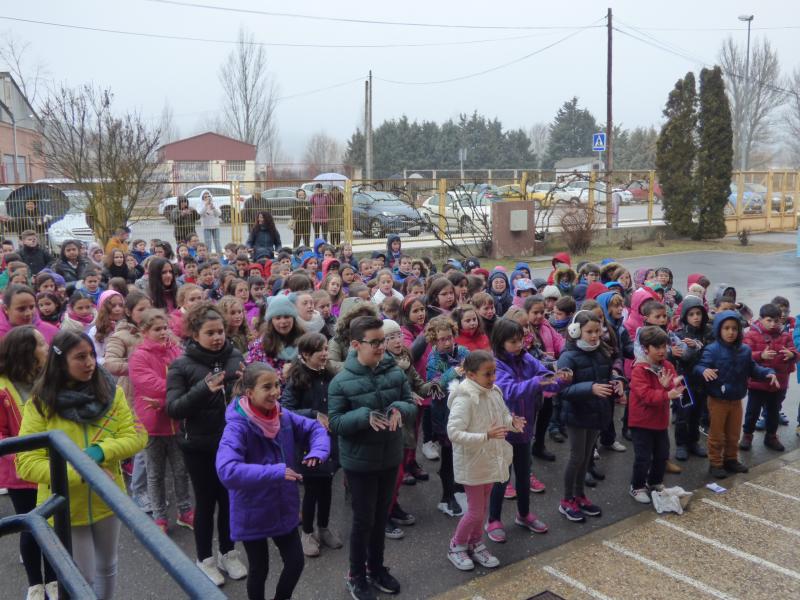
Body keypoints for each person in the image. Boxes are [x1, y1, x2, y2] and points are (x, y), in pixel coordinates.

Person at [16, 330, 147, 600]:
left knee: (108, 566)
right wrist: (81, 472)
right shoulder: (40, 404)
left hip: (107, 499)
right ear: (60, 362)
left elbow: (136, 435)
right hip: (64, 505)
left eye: (90, 355)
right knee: (82, 576)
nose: (90, 362)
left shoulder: (111, 393)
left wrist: (99, 452)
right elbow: (26, 463)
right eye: (80, 357)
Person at [217, 362, 329, 600]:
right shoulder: (237, 426)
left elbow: (315, 429)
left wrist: (318, 452)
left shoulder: (282, 415)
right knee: (260, 569)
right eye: (267, 387)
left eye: (277, 384)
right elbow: (227, 470)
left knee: (296, 562)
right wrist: (275, 472)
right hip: (252, 509)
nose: (276, 392)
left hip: (282, 505)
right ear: (249, 393)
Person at [328, 315, 417, 600]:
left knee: (381, 518)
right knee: (363, 520)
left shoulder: (394, 371)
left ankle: (376, 568)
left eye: (384, 340)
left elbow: (410, 401)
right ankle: (356, 575)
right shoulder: (341, 381)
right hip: (360, 463)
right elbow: (336, 422)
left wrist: (399, 409)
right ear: (355, 344)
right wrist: (365, 416)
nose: (382, 347)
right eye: (375, 342)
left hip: (389, 456)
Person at [166, 302, 248, 586]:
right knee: (207, 501)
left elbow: (245, 392)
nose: (217, 337)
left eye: (220, 331)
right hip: (199, 445)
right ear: (195, 334)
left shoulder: (235, 355)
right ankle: (204, 559)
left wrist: (247, 383)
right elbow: (174, 408)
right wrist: (203, 389)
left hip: (232, 443)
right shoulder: (181, 365)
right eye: (210, 332)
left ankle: (228, 552)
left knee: (229, 500)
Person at [485, 319, 569, 543]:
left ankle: (524, 514)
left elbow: (544, 378)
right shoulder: (496, 364)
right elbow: (509, 391)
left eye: (521, 340)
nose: (519, 345)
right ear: (500, 343)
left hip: (524, 429)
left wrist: (560, 380)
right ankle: (493, 519)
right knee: (501, 478)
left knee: (523, 475)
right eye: (513, 342)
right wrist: (538, 382)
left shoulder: (526, 357)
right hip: (503, 430)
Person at [445, 350, 521, 572]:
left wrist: (512, 422)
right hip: (473, 462)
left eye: (494, 373)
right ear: (470, 375)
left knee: (483, 507)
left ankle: (475, 542)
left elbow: (502, 416)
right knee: (476, 511)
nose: (493, 378)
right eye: (487, 374)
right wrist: (485, 436)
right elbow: (454, 433)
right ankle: (456, 545)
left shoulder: (493, 391)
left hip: (490, 458)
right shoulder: (465, 399)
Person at [0, 326, 58, 600]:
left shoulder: (51, 380)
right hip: (20, 473)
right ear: (27, 353)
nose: (47, 347)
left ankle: (55, 579)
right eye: (41, 345)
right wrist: (21, 455)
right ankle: (36, 583)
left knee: (55, 524)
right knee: (30, 526)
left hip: (51, 468)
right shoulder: (2, 388)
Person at [129, 309, 194, 534]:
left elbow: (187, 377)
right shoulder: (139, 356)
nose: (163, 332)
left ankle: (185, 511)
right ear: (144, 331)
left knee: (180, 470)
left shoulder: (176, 351)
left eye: (165, 327)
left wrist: (173, 396)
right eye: (157, 329)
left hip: (176, 421)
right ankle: (159, 517)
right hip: (153, 425)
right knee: (155, 474)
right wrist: (178, 391)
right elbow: (151, 385)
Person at [280, 332, 343, 557]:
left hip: (330, 443)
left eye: (326, 348)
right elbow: (285, 411)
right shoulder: (297, 379)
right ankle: (307, 533)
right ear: (306, 355)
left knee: (326, 488)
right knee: (312, 491)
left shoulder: (328, 374)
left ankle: (323, 528)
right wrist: (314, 413)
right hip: (308, 446)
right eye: (320, 351)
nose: (326, 354)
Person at [695, 310, 779, 479]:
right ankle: (716, 463)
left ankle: (731, 459)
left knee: (733, 433)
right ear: (719, 329)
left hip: (736, 399)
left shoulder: (745, 350)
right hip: (717, 399)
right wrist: (704, 370)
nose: (731, 332)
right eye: (726, 328)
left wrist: (768, 372)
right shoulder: (712, 350)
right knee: (717, 434)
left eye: (734, 328)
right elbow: (698, 366)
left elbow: (753, 368)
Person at [556, 311, 614, 523]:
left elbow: (608, 374)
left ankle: (580, 495)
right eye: (589, 332)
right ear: (576, 331)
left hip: (596, 412)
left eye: (597, 331)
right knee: (576, 457)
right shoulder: (568, 356)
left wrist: (617, 381)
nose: (594, 336)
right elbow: (561, 390)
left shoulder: (601, 351)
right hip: (577, 414)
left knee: (587, 456)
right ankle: (566, 499)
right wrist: (590, 388)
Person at [628, 327, 685, 503]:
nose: (662, 351)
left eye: (664, 346)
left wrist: (675, 386)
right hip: (641, 421)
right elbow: (645, 396)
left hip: (660, 420)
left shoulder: (667, 365)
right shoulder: (639, 369)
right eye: (657, 347)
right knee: (643, 457)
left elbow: (672, 387)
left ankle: (655, 481)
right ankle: (637, 486)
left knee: (662, 454)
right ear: (646, 348)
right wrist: (667, 392)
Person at [739, 303, 798, 453]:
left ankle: (771, 436)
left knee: (773, 411)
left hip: (779, 382)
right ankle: (747, 435)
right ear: (761, 319)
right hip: (758, 383)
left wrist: (792, 355)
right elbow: (744, 355)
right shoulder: (751, 334)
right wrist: (761, 355)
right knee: (752, 411)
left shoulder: (785, 335)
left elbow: (795, 352)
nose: (773, 324)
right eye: (769, 320)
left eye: (776, 321)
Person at [426, 316, 469, 518]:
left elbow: (473, 366)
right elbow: (433, 387)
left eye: (449, 337)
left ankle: (459, 488)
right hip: (444, 415)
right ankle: (447, 496)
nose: (446, 342)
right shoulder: (433, 359)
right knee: (448, 457)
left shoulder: (462, 352)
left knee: (462, 454)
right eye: (441, 339)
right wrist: (452, 373)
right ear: (434, 340)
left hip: (464, 412)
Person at [671, 295, 712, 460]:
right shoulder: (679, 335)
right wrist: (687, 349)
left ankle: (693, 442)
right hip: (684, 381)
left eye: (698, 313)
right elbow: (681, 358)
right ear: (685, 317)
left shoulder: (709, 333)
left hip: (701, 381)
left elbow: (711, 354)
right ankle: (681, 444)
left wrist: (699, 347)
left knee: (697, 414)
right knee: (683, 414)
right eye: (691, 314)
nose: (696, 317)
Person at [199, 190, 223, 256]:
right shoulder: (200, 204)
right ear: (202, 197)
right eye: (205, 196)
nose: (207, 197)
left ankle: (220, 256)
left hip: (215, 226)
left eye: (208, 196)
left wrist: (214, 208)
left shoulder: (214, 203)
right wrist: (206, 206)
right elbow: (200, 213)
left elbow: (219, 213)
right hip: (206, 226)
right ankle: (208, 256)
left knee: (217, 243)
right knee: (208, 243)